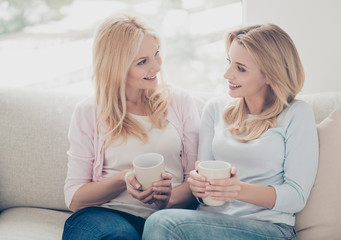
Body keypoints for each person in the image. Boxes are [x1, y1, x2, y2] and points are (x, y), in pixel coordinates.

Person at [143, 23, 319, 240]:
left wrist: (237, 190)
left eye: (240, 68)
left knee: (163, 223)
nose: (227, 74)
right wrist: (198, 187)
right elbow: (201, 191)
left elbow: (296, 196)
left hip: (268, 228)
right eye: (229, 62)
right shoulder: (215, 109)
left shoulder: (296, 114)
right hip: (210, 220)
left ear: (270, 75)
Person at [62, 13, 200, 240]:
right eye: (142, 62)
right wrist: (123, 179)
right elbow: (75, 198)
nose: (156, 67)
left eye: (156, 54)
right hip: (105, 216)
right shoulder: (89, 111)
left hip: (167, 217)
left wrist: (168, 198)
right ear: (117, 67)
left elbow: (195, 179)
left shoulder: (180, 101)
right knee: (120, 236)